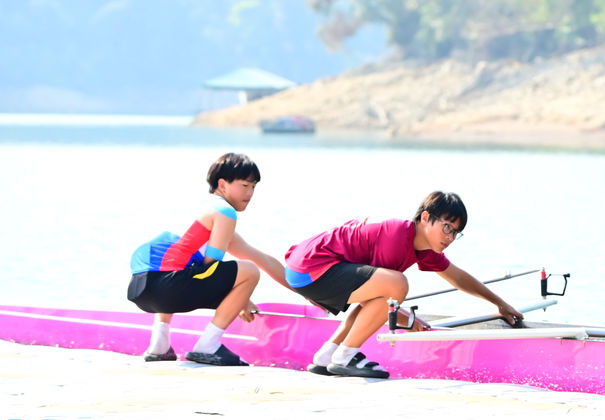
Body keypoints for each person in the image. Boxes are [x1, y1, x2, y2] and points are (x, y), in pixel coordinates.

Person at [284, 191, 524, 379]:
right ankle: (346, 357)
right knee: (397, 285)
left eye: (456, 233)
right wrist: (406, 319)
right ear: (426, 218)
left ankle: (327, 355)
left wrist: (499, 303)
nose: (450, 237)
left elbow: (458, 277)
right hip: (312, 268)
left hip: (303, 271)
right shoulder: (396, 235)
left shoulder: (423, 249)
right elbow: (385, 298)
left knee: (383, 294)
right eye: (447, 227)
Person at [127, 152, 287, 366]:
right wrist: (237, 297)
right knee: (249, 271)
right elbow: (212, 266)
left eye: (253, 187)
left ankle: (159, 344)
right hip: (166, 288)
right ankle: (208, 345)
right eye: (244, 185)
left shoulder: (201, 210)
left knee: (179, 265)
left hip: (140, 289)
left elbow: (262, 259)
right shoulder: (225, 212)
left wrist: (303, 291)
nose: (250, 193)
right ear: (222, 184)